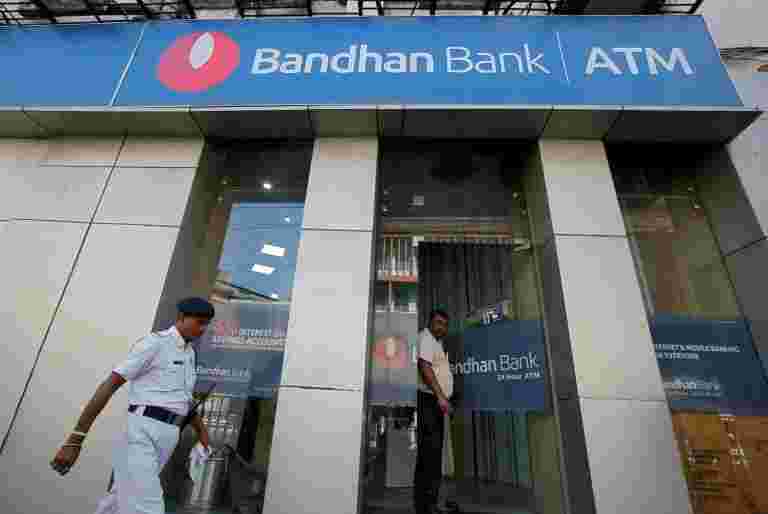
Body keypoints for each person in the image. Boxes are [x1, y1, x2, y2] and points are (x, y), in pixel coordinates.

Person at [50, 297, 216, 514]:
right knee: (147, 507)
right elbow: (109, 385)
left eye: (206, 324)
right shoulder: (154, 344)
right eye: (199, 322)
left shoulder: (189, 353)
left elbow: (184, 399)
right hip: (142, 433)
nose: (203, 329)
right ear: (182, 317)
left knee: (118, 502)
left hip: (169, 435)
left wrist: (202, 433)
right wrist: (75, 440)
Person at [414, 309, 454, 514]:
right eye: (438, 323)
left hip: (434, 402)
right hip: (429, 401)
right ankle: (427, 506)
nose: (442, 327)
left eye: (445, 324)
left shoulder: (436, 342)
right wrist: (440, 396)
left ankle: (428, 505)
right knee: (430, 455)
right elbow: (424, 366)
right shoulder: (426, 338)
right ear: (429, 323)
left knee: (432, 455)